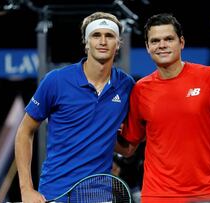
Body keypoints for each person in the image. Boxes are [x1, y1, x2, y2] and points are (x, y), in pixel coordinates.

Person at [116, 13, 210, 203]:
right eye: (155, 40)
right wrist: (99, 129)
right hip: (157, 196)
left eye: (169, 39)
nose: (162, 45)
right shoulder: (140, 90)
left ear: (181, 42)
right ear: (148, 47)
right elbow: (128, 148)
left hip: (207, 195)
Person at [15, 11, 135, 203]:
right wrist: (26, 189)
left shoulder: (126, 86)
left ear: (118, 43)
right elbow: (24, 132)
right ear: (86, 42)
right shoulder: (56, 81)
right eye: (96, 35)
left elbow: (127, 148)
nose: (102, 41)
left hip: (99, 197)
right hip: (54, 194)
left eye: (109, 36)